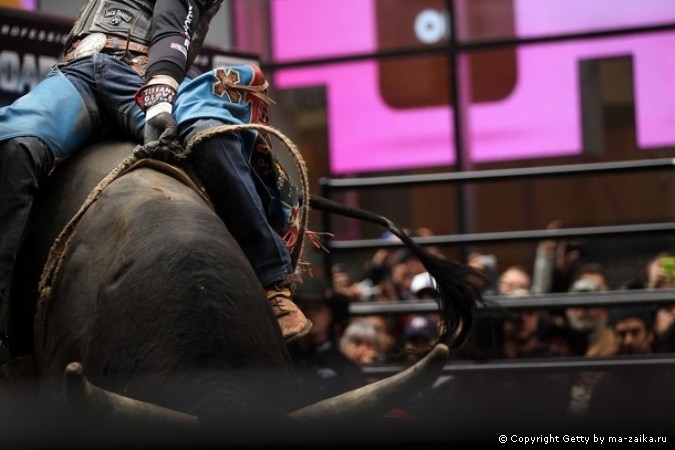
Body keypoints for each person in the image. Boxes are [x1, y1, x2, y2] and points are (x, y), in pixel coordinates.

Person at [0, 1, 310, 344]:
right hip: (76, 74)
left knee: (209, 136)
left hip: (143, 73)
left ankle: (272, 284)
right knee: (13, 145)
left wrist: (160, 88)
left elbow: (171, 19)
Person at [288, 276, 368, 405]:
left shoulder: (345, 369)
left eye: (318, 308)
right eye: (304, 307)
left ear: (330, 315)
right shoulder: (281, 361)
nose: (310, 313)